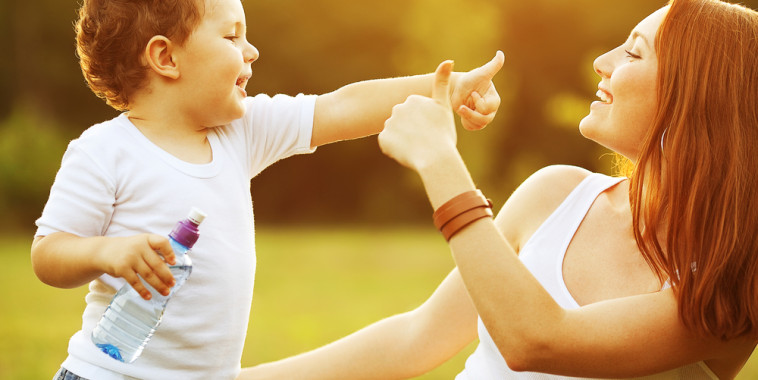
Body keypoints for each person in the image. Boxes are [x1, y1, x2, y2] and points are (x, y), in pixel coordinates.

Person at [238, 0, 758, 379]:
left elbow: (536, 341)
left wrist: (441, 163)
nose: (603, 61)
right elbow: (416, 339)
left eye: (635, 55)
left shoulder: (733, 279)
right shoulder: (556, 195)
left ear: (696, 96)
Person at [30, 0, 504, 378]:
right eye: (232, 35)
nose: (251, 50)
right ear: (165, 57)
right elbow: (49, 254)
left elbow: (341, 107)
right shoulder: (103, 151)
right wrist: (106, 254)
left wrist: (452, 86)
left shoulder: (240, 131)